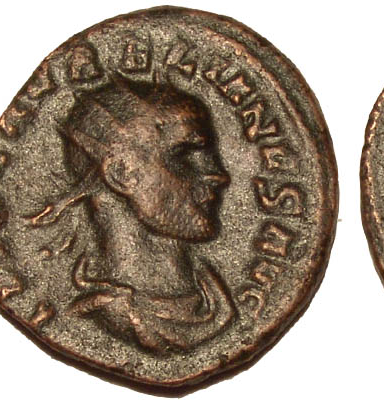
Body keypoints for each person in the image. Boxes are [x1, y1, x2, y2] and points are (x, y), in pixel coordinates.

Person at [27, 79, 234, 351]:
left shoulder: (215, 296)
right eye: (183, 154)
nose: (219, 175)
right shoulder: (98, 317)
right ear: (121, 174)